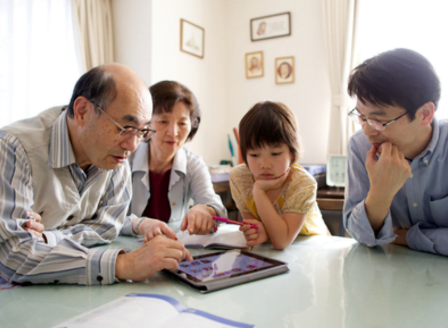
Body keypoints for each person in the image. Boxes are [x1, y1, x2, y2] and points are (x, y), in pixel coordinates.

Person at [0, 64, 192, 285]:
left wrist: (48, 237)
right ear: (82, 111)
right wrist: (123, 265)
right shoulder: (14, 149)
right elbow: (13, 256)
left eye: (142, 131)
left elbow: (109, 225)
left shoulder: (116, 156)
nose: (132, 145)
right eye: (125, 127)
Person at [343, 48, 448, 256]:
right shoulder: (360, 146)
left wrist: (407, 237)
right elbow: (356, 234)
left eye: (379, 121)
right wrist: (380, 193)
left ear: (425, 114)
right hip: (391, 276)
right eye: (361, 116)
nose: (367, 130)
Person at [122, 80, 227, 242]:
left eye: (182, 123)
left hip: (174, 249)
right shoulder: (125, 158)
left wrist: (207, 210)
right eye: (163, 121)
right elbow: (107, 217)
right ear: (146, 123)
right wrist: (138, 224)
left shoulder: (194, 164)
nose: (173, 132)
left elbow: (216, 206)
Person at [229, 101, 328, 250]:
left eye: (275, 153)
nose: (265, 164)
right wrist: (259, 232)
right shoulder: (240, 178)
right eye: (254, 154)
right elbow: (257, 229)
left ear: (292, 153)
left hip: (316, 250)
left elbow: (281, 242)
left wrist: (259, 191)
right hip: (274, 253)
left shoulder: (303, 183)